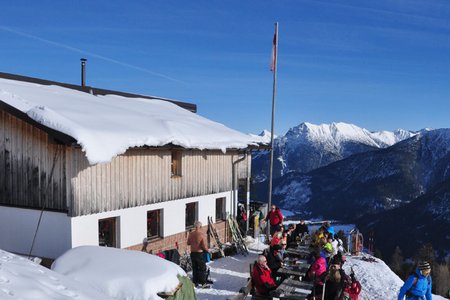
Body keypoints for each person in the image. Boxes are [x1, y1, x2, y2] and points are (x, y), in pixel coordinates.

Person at [187, 221, 211, 287]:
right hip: (199, 253)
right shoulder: (201, 234)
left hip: (192, 253)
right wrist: (207, 250)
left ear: (195, 227)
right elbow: (204, 245)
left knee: (195, 268)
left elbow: (188, 243)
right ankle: (203, 283)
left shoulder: (191, 234)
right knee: (202, 268)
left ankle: (195, 282)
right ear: (200, 226)